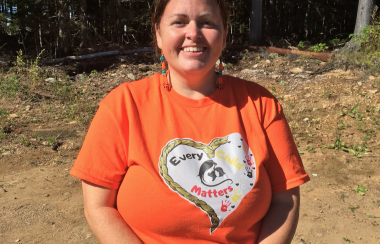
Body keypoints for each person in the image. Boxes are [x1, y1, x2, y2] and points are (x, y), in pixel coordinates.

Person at [69, 0, 310, 243]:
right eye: (179, 22)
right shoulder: (123, 104)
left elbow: (285, 200)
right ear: (159, 35)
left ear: (224, 35)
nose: (193, 33)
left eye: (207, 22)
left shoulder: (260, 104)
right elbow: (99, 208)